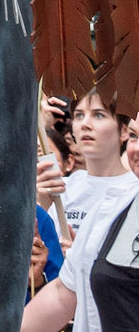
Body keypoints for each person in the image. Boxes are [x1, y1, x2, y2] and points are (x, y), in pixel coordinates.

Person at [24, 115, 139, 332]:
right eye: (134, 136)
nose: (137, 149)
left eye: (98, 115)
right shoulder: (109, 210)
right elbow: (62, 293)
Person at [38, 91, 134, 238]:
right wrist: (42, 204)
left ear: (124, 131)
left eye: (98, 115)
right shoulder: (59, 188)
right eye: (79, 115)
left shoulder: (134, 191)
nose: (85, 124)